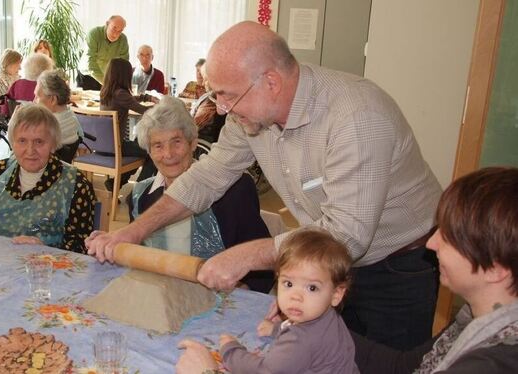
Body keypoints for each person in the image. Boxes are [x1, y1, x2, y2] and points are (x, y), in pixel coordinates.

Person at [86, 21, 443, 350]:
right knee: (325, 358)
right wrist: (131, 233)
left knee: (383, 362)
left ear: (271, 82)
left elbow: (347, 233)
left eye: (227, 95)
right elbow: (207, 177)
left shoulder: (356, 117)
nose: (222, 109)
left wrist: (243, 256)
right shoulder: (250, 115)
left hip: (396, 266)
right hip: (325, 260)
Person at [353, 167, 518, 373]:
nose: (431, 243)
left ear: (495, 268)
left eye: (448, 237)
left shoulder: (488, 365)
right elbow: (402, 367)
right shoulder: (476, 319)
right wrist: (318, 323)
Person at [129, 96, 272, 292]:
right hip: (158, 299)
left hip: (217, 303)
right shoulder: (139, 195)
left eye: (176, 142)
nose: (168, 154)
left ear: (193, 143)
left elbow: (260, 265)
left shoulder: (235, 190)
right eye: (158, 146)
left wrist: (241, 289)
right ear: (149, 152)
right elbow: (137, 257)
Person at [177, 229, 359, 373]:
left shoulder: (299, 340)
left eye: (311, 288)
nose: (295, 296)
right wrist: (276, 329)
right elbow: (296, 329)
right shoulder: (326, 316)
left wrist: (230, 350)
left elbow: (265, 370)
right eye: (288, 283)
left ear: (336, 294)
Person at [0, 104, 95, 253]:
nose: (30, 150)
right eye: (22, 141)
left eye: (39, 141)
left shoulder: (76, 184)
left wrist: (45, 249)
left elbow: (83, 247)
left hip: (46, 269)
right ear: (13, 143)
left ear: (53, 144)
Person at [99, 58, 158, 191]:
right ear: (124, 75)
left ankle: (116, 183)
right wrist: (162, 107)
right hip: (116, 147)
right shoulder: (121, 94)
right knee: (153, 151)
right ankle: (139, 189)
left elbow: (129, 99)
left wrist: (146, 97)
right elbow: (143, 110)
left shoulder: (106, 92)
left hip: (103, 146)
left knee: (140, 147)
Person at [34, 69, 83, 162]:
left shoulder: (47, 128)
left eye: (37, 97)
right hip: (61, 172)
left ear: (53, 100)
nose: (34, 101)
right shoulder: (72, 118)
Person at [83, 15, 129, 90]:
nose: (116, 34)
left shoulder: (123, 39)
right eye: (114, 28)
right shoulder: (94, 34)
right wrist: (108, 83)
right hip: (88, 76)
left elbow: (124, 64)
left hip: (108, 79)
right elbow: (90, 62)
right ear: (107, 24)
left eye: (120, 31)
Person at [190, 62, 226, 144]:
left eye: (205, 80)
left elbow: (194, 127)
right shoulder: (207, 97)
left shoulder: (211, 101)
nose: (202, 84)